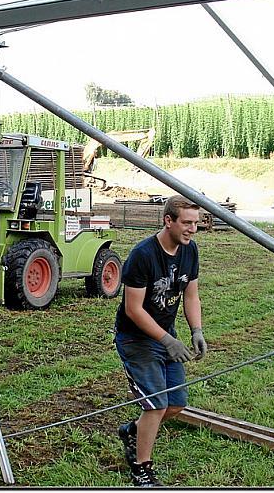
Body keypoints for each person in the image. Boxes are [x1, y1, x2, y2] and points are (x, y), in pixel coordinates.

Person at [114, 195, 208, 487]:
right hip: (136, 339)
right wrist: (167, 340)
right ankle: (141, 469)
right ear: (168, 221)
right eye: (187, 223)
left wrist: (196, 331)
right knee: (155, 405)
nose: (193, 229)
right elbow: (133, 309)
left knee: (176, 404)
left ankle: (133, 431)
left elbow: (190, 295)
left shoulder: (189, 251)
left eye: (196, 223)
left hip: (167, 334)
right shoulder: (143, 255)